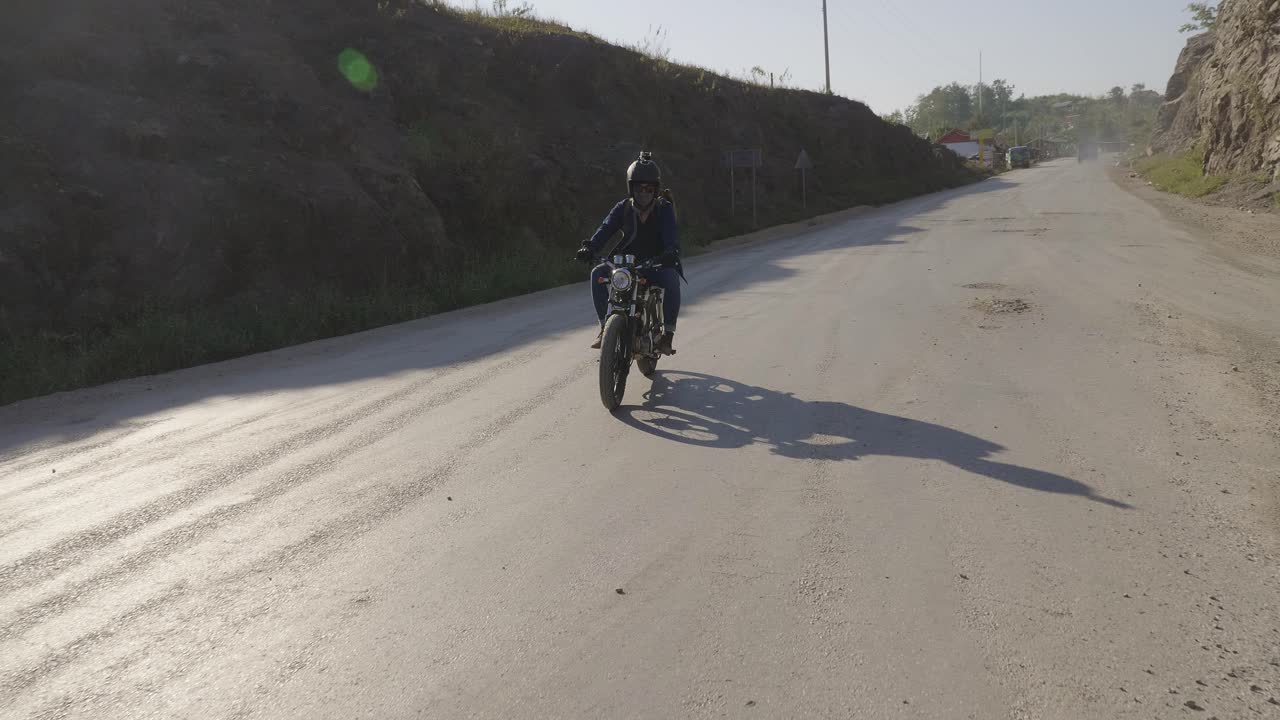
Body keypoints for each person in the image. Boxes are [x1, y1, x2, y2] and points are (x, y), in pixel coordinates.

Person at [575, 152, 684, 353]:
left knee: (671, 279)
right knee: (597, 274)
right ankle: (605, 328)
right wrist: (590, 247)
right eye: (638, 188)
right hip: (626, 264)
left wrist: (671, 252)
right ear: (631, 188)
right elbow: (605, 229)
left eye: (648, 188)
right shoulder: (623, 208)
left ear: (655, 189)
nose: (643, 192)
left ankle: (667, 336)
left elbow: (671, 236)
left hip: (656, 263)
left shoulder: (664, 208)